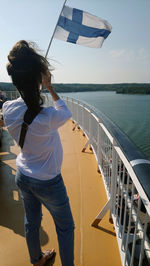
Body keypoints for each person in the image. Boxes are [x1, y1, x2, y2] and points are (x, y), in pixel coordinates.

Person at [2, 40, 74, 266]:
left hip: (23, 176)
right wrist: (49, 87)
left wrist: (36, 85)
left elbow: (26, 105)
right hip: (49, 182)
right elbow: (66, 111)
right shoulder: (49, 117)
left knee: (31, 223)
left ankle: (37, 260)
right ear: (37, 79)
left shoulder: (7, 108)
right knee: (65, 228)